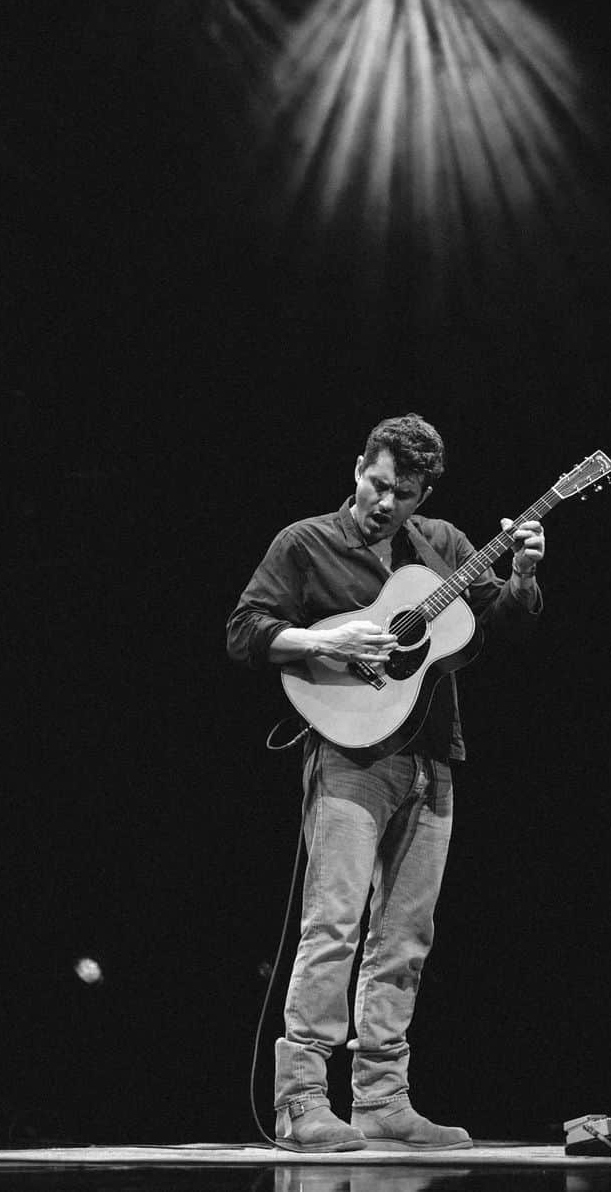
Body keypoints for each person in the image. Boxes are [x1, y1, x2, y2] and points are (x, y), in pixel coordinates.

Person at [226, 413, 544, 1153]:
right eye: (375, 484)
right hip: (348, 753)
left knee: (405, 938)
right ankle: (302, 1102)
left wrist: (523, 575)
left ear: (423, 492)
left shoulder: (446, 548)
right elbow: (245, 629)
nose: (382, 503)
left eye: (401, 494)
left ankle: (381, 1101)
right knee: (333, 926)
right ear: (359, 467)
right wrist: (326, 637)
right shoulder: (306, 543)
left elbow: (507, 624)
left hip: (433, 753)